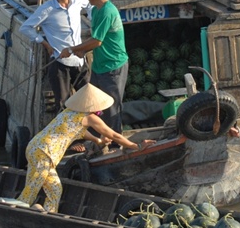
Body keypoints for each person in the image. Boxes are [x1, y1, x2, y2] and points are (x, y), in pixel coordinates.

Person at [17, 83, 154, 212]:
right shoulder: (90, 118)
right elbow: (114, 135)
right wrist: (137, 146)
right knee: (31, 189)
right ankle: (15, 212)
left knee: (55, 189)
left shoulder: (69, 113)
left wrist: (98, 140)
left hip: (36, 147)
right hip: (43, 152)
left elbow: (79, 132)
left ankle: (48, 215)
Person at [59, 0, 128, 135]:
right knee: (95, 105)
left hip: (113, 66)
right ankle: (98, 138)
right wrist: (83, 50)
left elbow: (97, 41)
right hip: (99, 66)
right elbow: (95, 39)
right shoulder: (96, 10)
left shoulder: (107, 11)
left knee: (111, 106)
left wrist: (71, 49)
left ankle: (115, 142)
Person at [20, 0, 91, 111]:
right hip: (60, 63)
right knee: (63, 104)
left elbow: (90, 5)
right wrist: (44, 43)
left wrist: (93, 18)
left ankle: (92, 131)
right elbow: (26, 27)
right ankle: (65, 131)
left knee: (88, 100)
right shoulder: (47, 9)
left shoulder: (78, 0)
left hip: (79, 61)